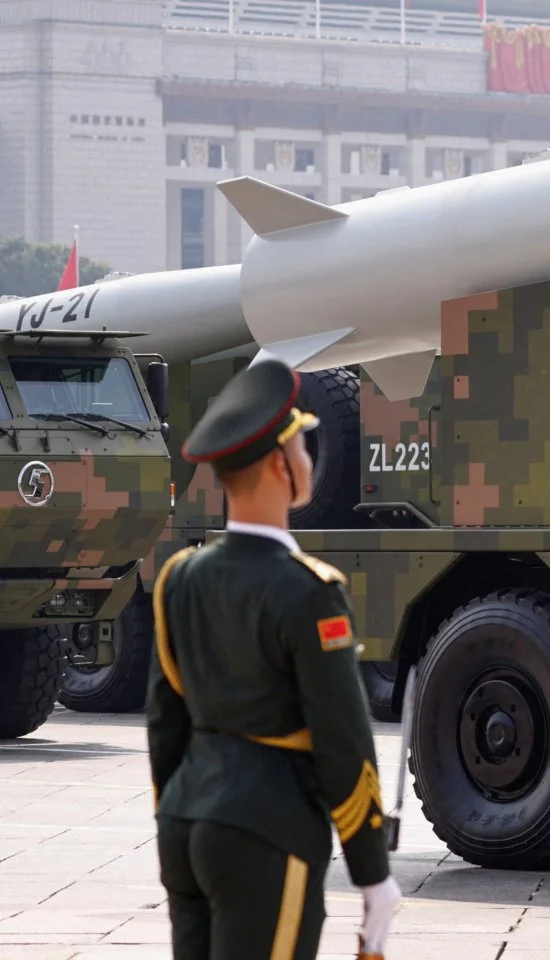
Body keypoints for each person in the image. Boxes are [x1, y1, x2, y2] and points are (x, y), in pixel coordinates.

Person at [146, 358, 401, 960]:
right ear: (279, 465)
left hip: (186, 822)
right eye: (301, 444)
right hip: (266, 830)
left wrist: (179, 813)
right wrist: (371, 871)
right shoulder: (309, 591)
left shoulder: (180, 577)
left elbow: (165, 725)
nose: (309, 458)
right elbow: (343, 738)